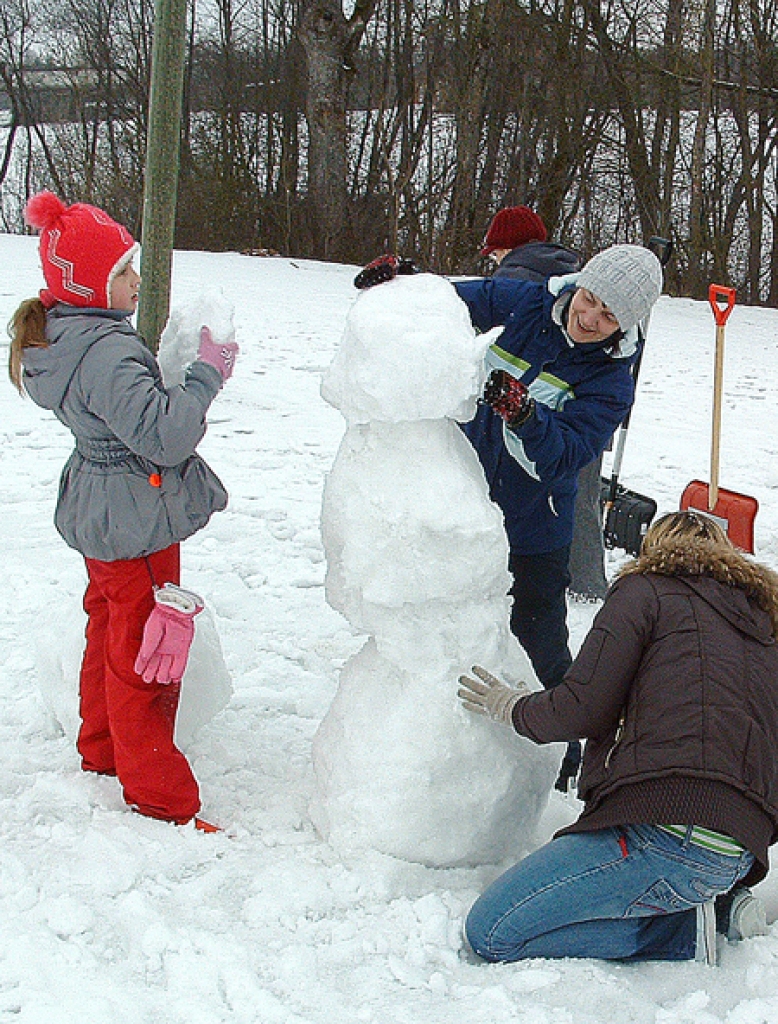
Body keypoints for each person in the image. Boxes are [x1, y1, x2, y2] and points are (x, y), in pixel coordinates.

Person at [8, 191, 238, 830]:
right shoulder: (106, 350)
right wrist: (206, 375)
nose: (137, 280)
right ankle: (159, 794)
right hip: (135, 515)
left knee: (110, 625)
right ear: (88, 285)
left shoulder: (66, 335)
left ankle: (103, 749)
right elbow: (165, 436)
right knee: (147, 650)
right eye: (122, 271)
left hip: (99, 505)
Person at [457, 510, 776, 965]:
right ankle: (716, 904)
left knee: (492, 932)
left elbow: (583, 706)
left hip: (662, 832)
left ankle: (680, 934)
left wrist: (511, 706)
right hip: (738, 853)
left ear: (656, 550)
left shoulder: (647, 589)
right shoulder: (767, 627)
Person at [453, 243, 662, 791]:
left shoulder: (611, 383)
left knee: (538, 637)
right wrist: (401, 284)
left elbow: (564, 457)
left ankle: (568, 752)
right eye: (590, 299)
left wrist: (526, 414)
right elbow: (444, 305)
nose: (589, 318)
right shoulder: (526, 303)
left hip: (533, 525)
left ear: (626, 325)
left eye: (609, 316)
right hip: (464, 501)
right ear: (580, 284)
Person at [479, 206, 607, 602]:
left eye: (494, 252)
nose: (494, 260)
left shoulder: (514, 280)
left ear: (507, 247)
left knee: (512, 501)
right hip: (580, 411)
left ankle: (508, 586)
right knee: (577, 498)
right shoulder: (572, 276)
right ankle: (587, 586)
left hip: (525, 418)